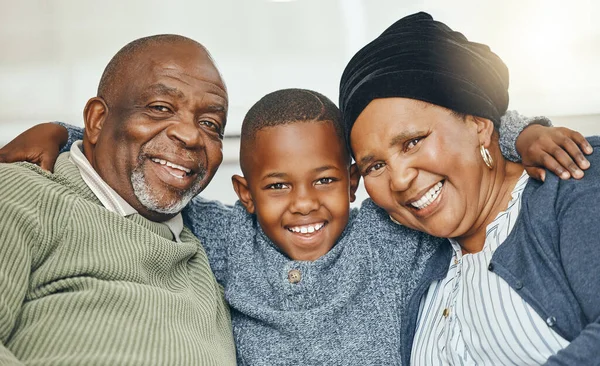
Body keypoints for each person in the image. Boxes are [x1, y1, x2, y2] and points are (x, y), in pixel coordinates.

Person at [0, 85, 593, 365]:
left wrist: (526, 133)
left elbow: (468, 144)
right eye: (278, 186)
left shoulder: (388, 234)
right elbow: (158, 170)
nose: (304, 203)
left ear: (357, 183)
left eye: (327, 180)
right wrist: (69, 133)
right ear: (245, 193)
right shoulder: (226, 240)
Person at [340, 12, 599, 365]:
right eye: (376, 165)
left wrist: (519, 131)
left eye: (413, 142)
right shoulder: (403, 255)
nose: (399, 181)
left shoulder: (569, 179)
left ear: (478, 124)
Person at [0, 34, 236, 364]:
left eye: (210, 123)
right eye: (160, 108)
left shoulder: (224, 247)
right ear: (97, 120)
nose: (191, 135)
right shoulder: (22, 193)